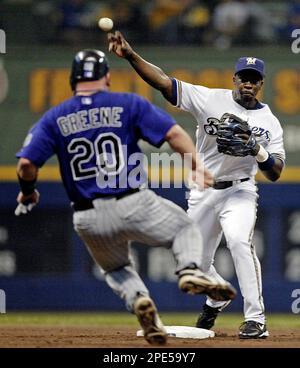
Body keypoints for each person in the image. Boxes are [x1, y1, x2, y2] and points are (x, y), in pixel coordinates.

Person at [15, 49, 236, 346]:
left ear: (72, 79)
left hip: (87, 217)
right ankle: (188, 271)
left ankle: (140, 301)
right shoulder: (127, 103)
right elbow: (173, 133)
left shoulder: (55, 117)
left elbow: (26, 164)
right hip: (133, 201)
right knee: (185, 228)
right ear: (106, 76)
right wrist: (195, 164)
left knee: (117, 268)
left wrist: (28, 192)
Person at [107, 31, 285, 339]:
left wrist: (257, 149)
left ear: (261, 84)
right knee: (192, 263)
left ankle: (255, 318)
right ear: (234, 79)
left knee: (240, 241)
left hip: (239, 190)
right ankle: (216, 297)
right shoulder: (210, 98)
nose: (248, 83)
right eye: (244, 77)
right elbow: (163, 82)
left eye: (254, 79)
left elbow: (276, 171)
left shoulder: (269, 122)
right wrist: (131, 56)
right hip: (203, 190)